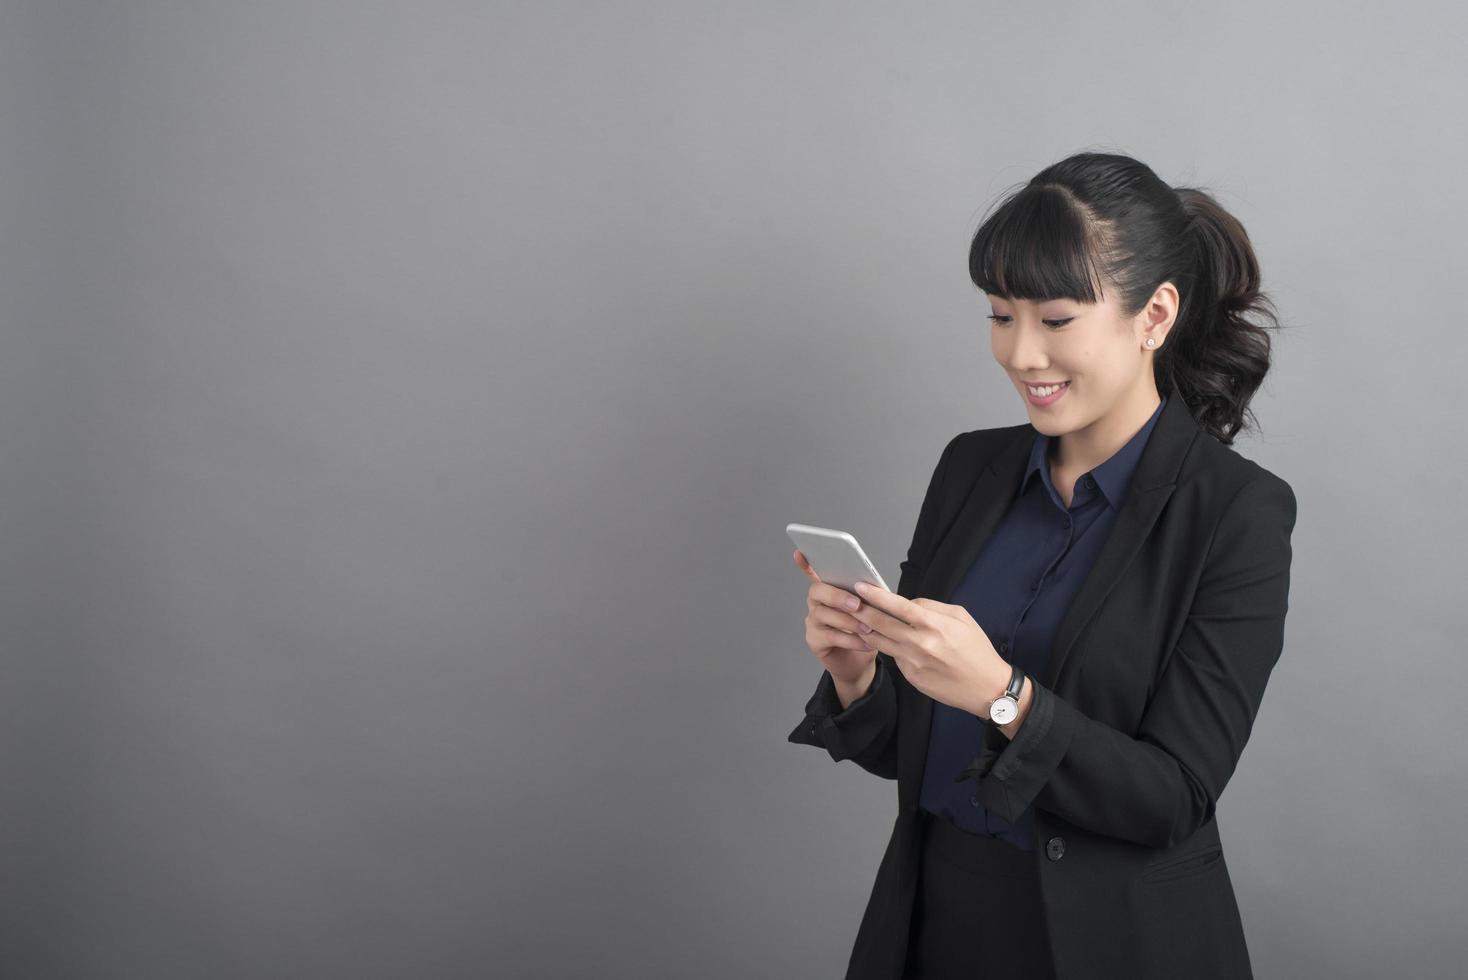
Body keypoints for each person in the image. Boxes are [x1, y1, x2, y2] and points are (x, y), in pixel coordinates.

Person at [788, 150, 1297, 980]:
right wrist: (858, 675)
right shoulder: (971, 469)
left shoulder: (1236, 513)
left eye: (1056, 321)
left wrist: (1004, 694)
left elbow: (1172, 798)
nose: (1021, 355)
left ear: (1156, 315)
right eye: (999, 315)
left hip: (1114, 942)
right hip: (935, 923)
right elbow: (915, 747)